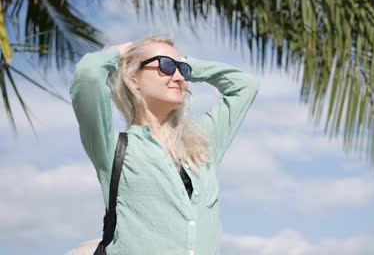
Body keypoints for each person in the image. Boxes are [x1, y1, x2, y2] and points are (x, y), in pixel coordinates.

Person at [68, 35, 260, 254]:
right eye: (166, 66)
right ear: (132, 78)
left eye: (182, 70)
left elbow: (246, 85)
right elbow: (88, 75)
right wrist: (120, 53)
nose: (179, 77)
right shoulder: (112, 148)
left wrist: (185, 64)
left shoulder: (201, 142)